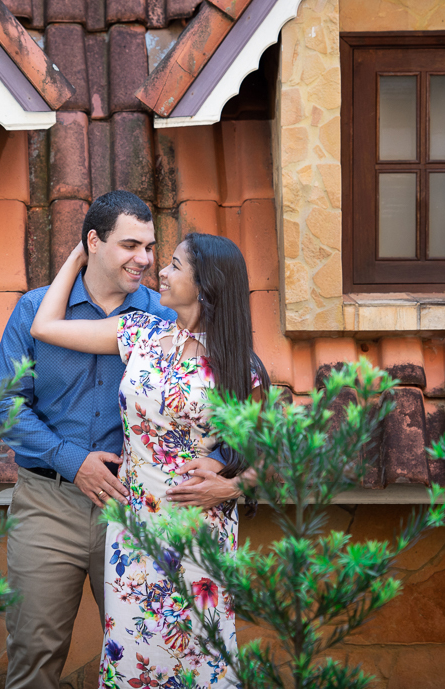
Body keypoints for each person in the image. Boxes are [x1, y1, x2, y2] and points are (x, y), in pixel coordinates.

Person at [0, 191, 230, 689]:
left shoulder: (163, 317)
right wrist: (74, 460)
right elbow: (3, 406)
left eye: (149, 247)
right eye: (129, 245)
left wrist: (226, 469)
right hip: (48, 502)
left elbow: (217, 399)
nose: (144, 260)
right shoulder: (36, 309)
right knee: (34, 653)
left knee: (149, 654)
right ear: (93, 243)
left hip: (139, 509)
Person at [29, 232, 268, 689]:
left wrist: (233, 486)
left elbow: (269, 458)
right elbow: (45, 326)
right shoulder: (139, 332)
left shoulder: (241, 369)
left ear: (207, 285)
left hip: (199, 535)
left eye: (176, 266)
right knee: (135, 659)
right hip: (134, 531)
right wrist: (81, 252)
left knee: (198, 658)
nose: (161, 270)